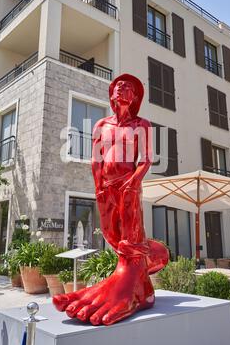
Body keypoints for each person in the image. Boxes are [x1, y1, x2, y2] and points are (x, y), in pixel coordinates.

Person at [53, 74, 169, 325]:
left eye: (126, 87)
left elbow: (146, 159)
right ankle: (145, 276)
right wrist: (98, 186)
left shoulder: (142, 124)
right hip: (105, 186)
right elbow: (96, 160)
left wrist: (135, 180)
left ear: (135, 96)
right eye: (117, 86)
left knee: (129, 236)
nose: (120, 89)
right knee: (111, 235)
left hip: (129, 185)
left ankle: (133, 287)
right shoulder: (101, 125)